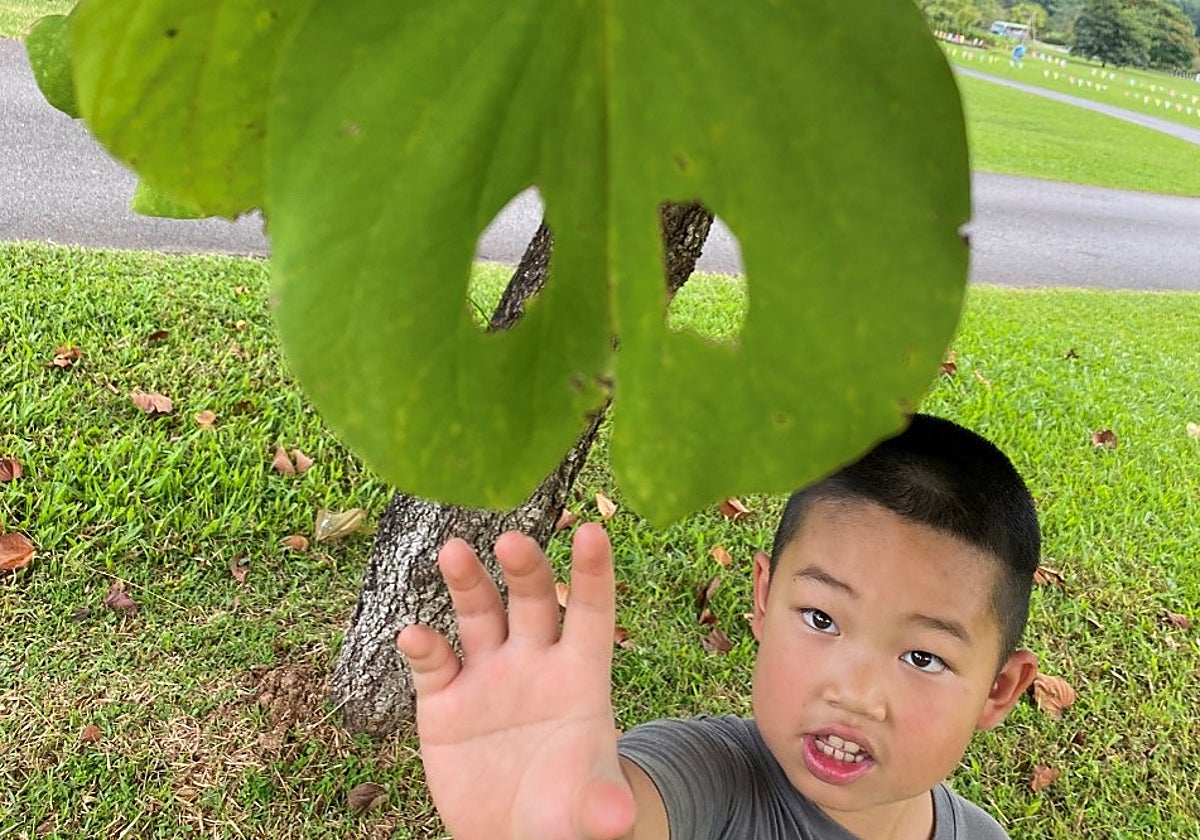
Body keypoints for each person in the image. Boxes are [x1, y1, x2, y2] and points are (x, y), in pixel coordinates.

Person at [397, 414, 1041, 840]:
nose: (854, 693)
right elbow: (625, 816)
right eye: (821, 618)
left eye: (923, 658)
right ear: (762, 597)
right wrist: (552, 820)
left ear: (998, 690)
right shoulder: (707, 782)